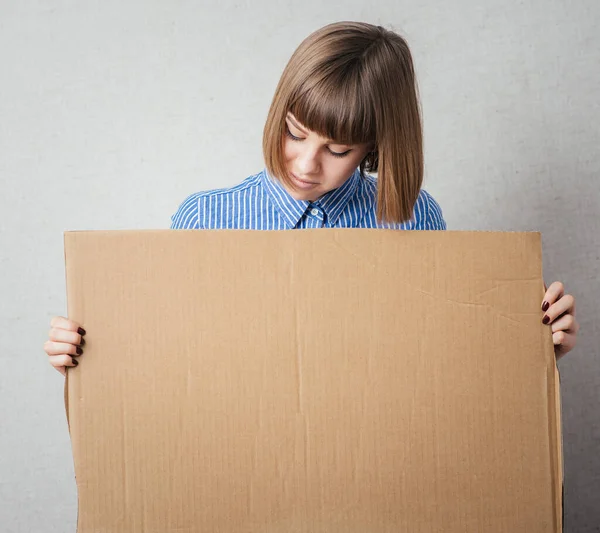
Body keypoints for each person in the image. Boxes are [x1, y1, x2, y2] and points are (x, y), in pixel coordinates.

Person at [43, 21, 579, 375]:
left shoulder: (415, 218)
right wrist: (89, 347)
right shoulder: (204, 218)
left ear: (373, 148)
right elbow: (167, 358)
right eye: (295, 132)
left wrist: (534, 340)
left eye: (338, 148)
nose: (305, 164)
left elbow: (443, 363)